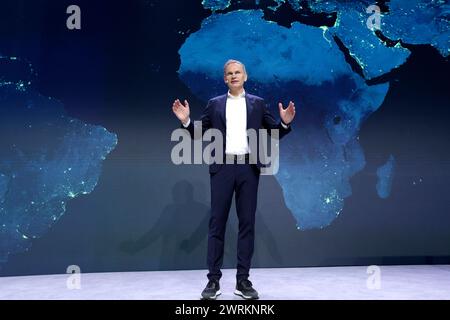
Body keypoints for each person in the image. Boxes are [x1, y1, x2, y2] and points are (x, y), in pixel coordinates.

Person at [172, 59, 296, 299]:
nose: (234, 75)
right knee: (217, 223)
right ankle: (213, 282)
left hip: (248, 168)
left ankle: (243, 281)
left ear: (245, 76)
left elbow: (273, 132)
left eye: (238, 72)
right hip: (223, 168)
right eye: (229, 73)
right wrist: (186, 121)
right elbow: (198, 133)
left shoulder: (258, 104)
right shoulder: (215, 104)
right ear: (225, 79)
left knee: (246, 223)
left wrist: (285, 123)